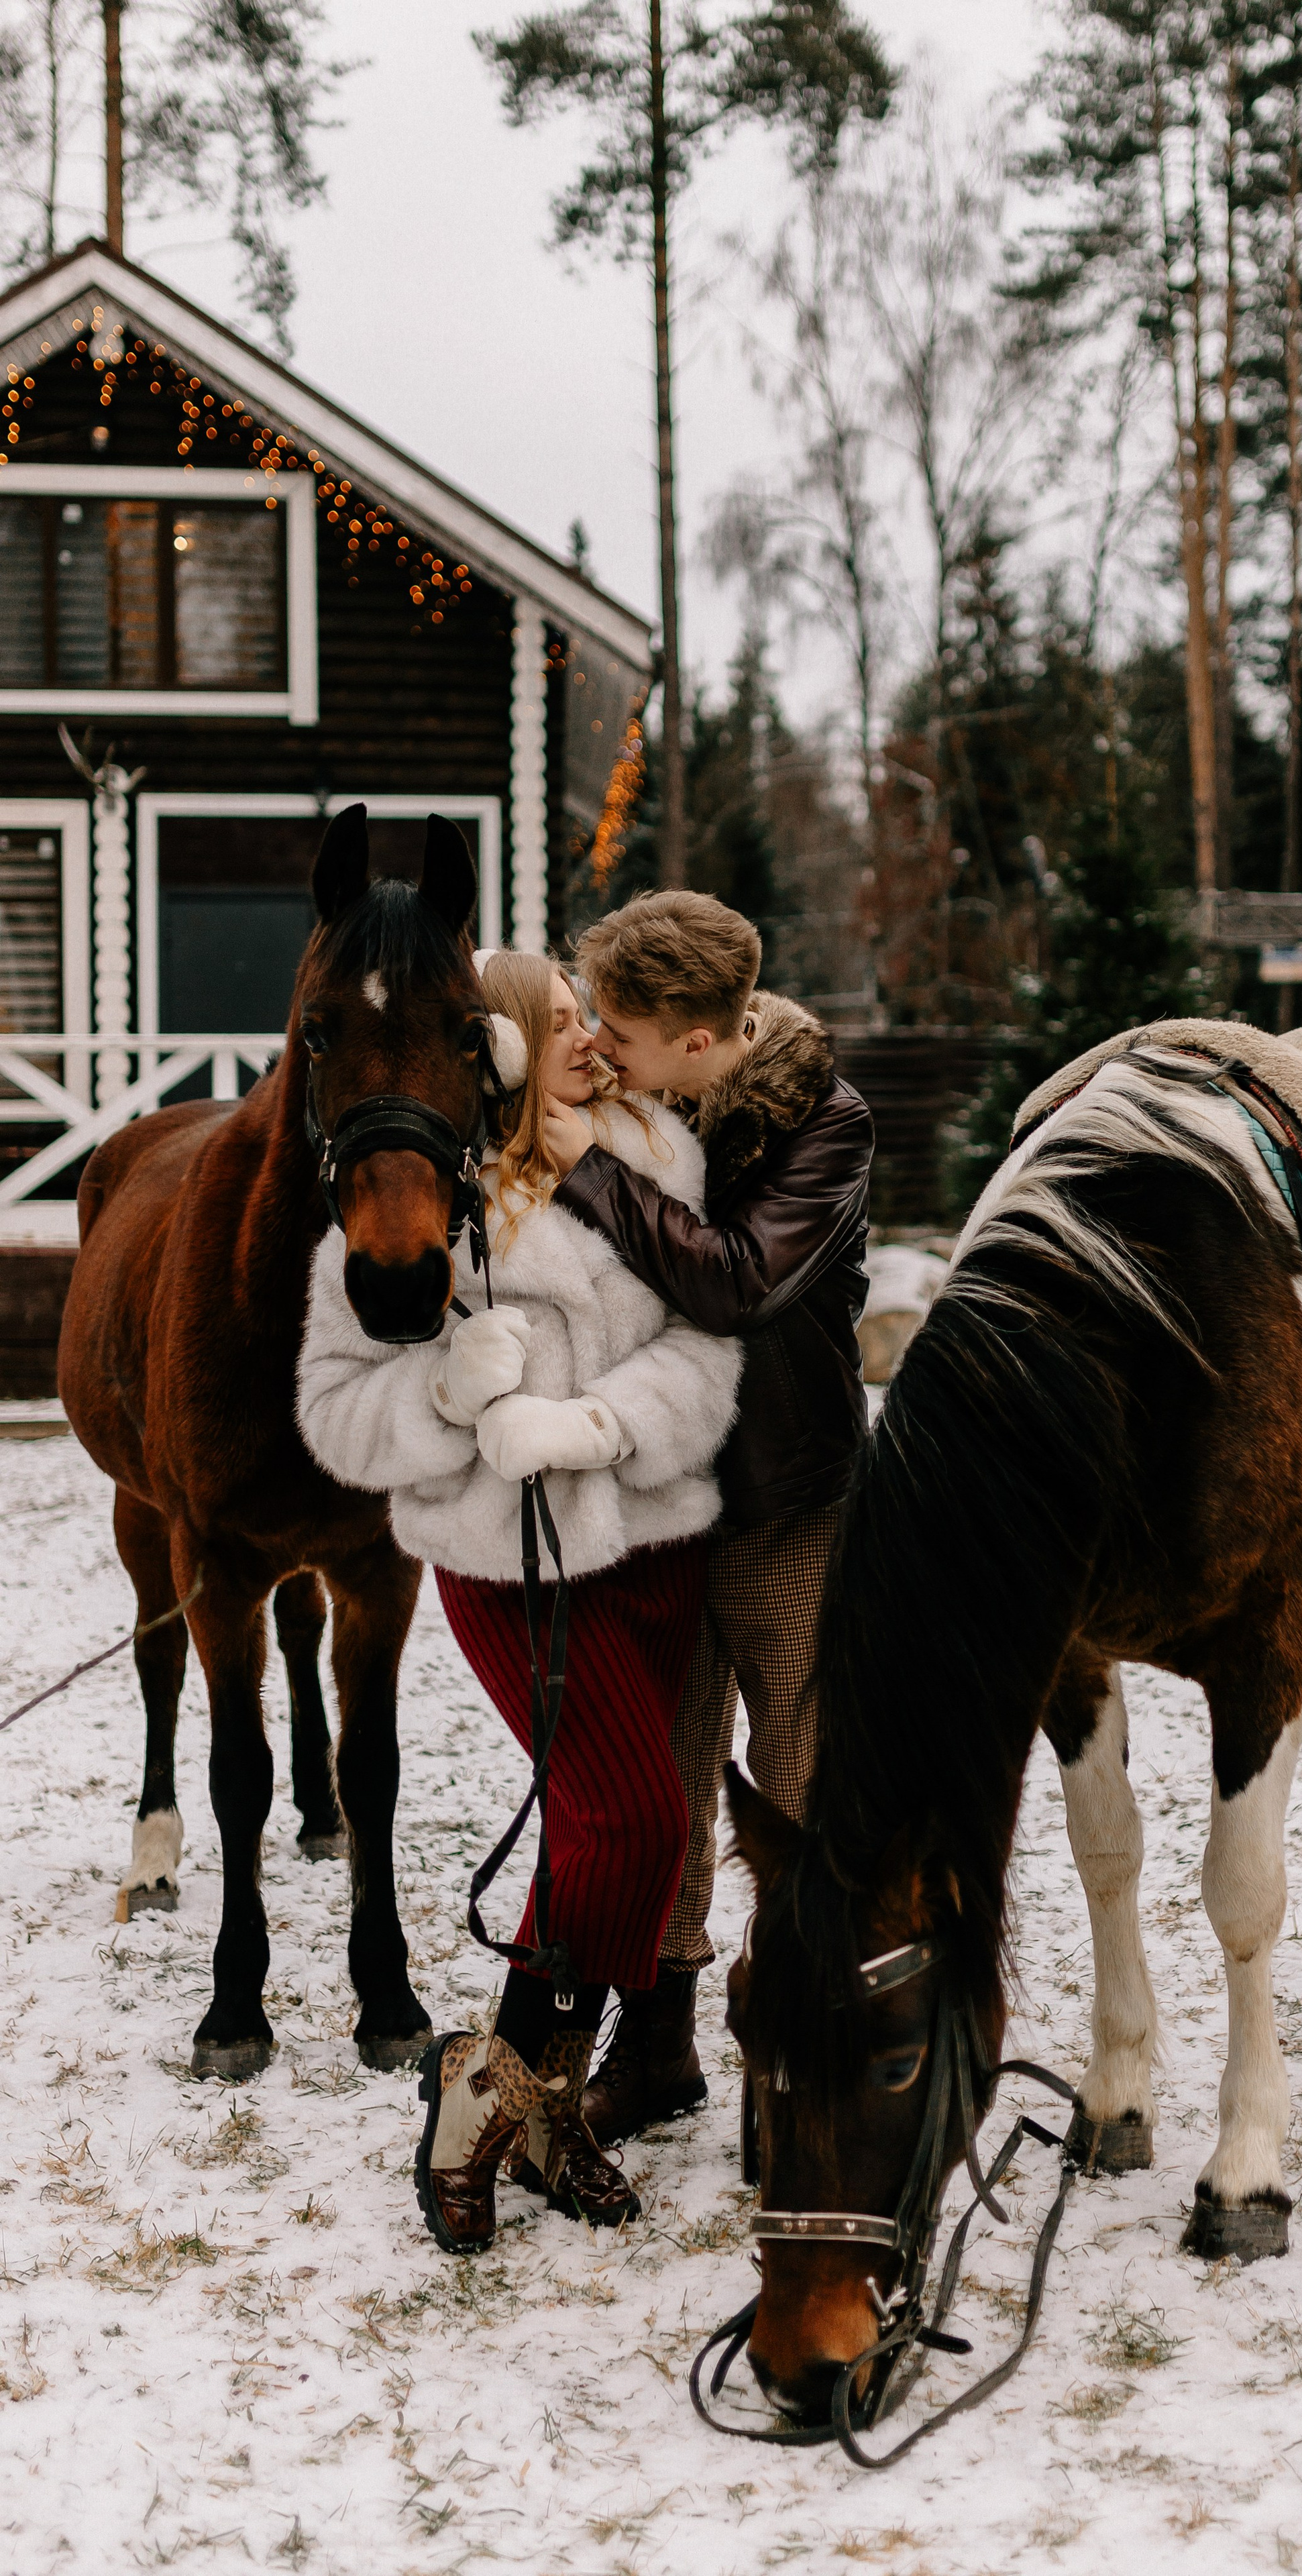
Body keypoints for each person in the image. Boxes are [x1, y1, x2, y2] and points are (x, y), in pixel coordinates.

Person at [296, 949, 741, 2253]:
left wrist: (596, 1418)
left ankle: (531, 2106)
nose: (597, 1038)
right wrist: (449, 1394)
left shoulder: (657, 1150)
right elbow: (339, 1407)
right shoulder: (427, 1193)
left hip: (655, 1539)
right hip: (511, 1562)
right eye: (567, 1021)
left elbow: (705, 1340)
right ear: (497, 1051)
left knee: (601, 1837)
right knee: (636, 1819)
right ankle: (489, 2089)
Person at [543, 890, 873, 2145]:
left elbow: (735, 1280)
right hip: (656, 1507)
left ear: (698, 1040)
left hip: (792, 1501)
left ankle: (786, 2043)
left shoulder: (824, 1125)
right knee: (667, 1782)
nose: (599, 1048)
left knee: (794, 1781)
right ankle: (659, 2043)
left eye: (618, 1030)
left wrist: (585, 1164)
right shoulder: (622, 1096)